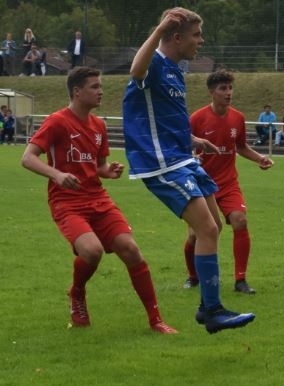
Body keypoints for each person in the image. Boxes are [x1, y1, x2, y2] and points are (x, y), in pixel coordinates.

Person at [123, 7, 255, 334]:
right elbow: (135, 71)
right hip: (161, 162)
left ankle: (208, 305)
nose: (201, 40)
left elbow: (165, 116)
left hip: (183, 157)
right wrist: (158, 29)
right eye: (196, 35)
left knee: (214, 228)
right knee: (207, 229)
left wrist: (193, 139)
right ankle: (211, 310)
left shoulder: (173, 70)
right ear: (176, 37)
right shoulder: (154, 63)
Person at [21, 67, 176, 333]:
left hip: (97, 198)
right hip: (67, 201)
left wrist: (108, 171)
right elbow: (27, 157)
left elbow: (99, 166)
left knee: (131, 249)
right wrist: (57, 174)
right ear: (77, 91)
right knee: (92, 251)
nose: (100, 91)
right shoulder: (57, 121)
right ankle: (77, 292)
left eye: (100, 86)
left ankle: (156, 320)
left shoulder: (99, 125)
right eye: (94, 87)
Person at [184, 69, 274, 295]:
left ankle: (240, 280)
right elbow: (184, 147)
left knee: (240, 221)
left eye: (230, 88)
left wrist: (260, 158)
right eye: (223, 88)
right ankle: (193, 276)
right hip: (202, 184)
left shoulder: (238, 118)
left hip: (228, 183)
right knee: (196, 234)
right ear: (211, 92)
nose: (228, 92)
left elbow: (241, 147)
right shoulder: (197, 118)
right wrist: (192, 160)